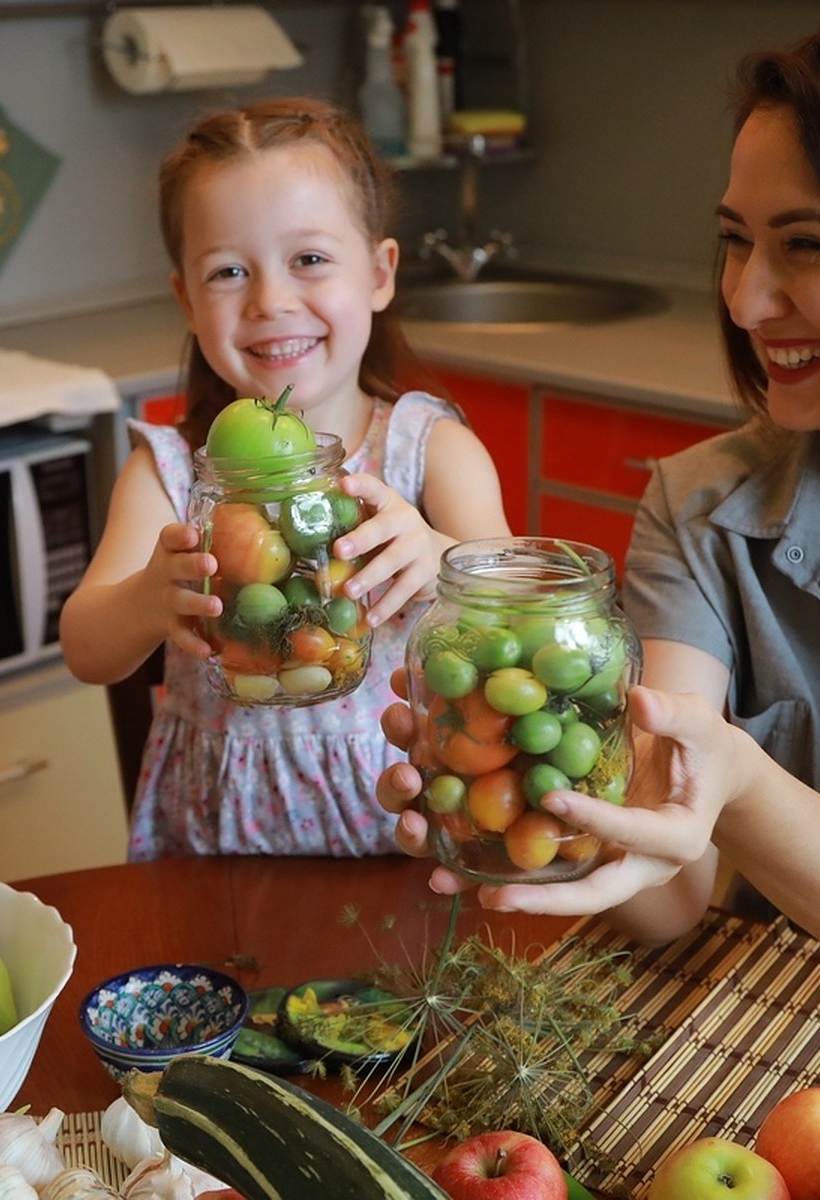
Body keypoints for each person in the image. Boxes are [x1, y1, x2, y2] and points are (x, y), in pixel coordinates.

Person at [376, 11, 820, 968]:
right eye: (736, 240)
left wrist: (738, 784)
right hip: (776, 1028)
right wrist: (542, 788)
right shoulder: (696, 508)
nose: (742, 298)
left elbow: (714, 794)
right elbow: (671, 889)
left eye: (805, 245)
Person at [60, 97, 511, 859]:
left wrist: (446, 565)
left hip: (399, 832)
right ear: (187, 300)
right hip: (214, 844)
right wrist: (146, 599)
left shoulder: (430, 451)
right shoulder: (169, 472)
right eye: (229, 271)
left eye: (308, 259)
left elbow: (512, 628)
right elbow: (86, 647)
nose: (270, 301)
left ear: (378, 273)